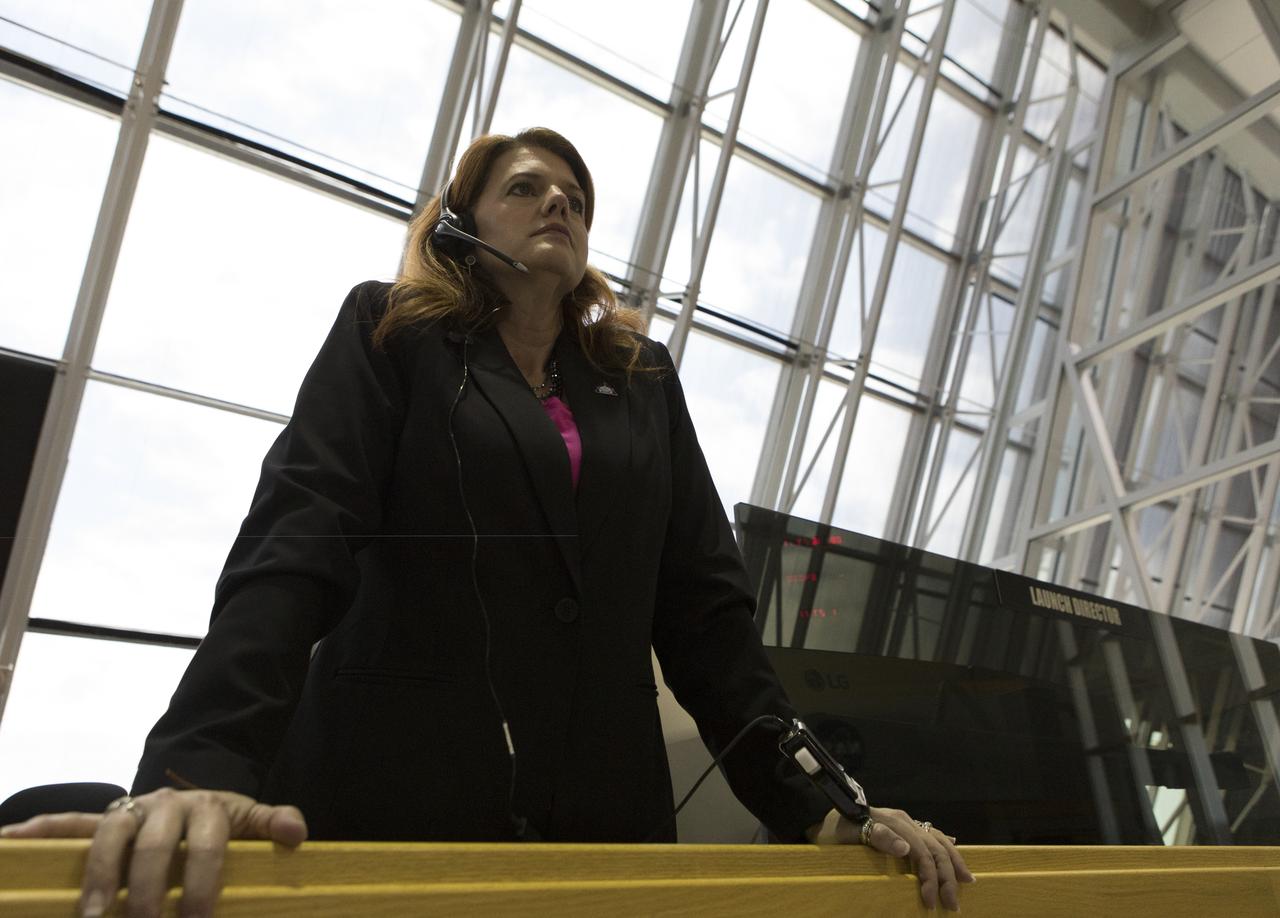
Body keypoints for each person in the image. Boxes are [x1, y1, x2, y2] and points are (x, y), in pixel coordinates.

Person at [1, 127, 973, 916]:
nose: (558, 200)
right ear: (461, 221)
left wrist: (820, 806)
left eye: (575, 197)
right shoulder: (391, 333)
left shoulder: (639, 384)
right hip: (385, 806)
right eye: (525, 185)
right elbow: (299, 535)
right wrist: (198, 764)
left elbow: (706, 616)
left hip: (604, 829)